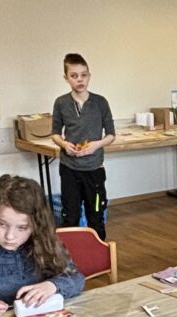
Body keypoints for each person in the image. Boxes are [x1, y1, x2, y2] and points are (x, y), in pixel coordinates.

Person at [0, 175, 85, 317]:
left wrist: (52, 286)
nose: (10, 236)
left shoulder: (44, 243)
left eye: (22, 228)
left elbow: (77, 279)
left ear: (36, 226)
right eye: (1, 224)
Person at [50, 52, 115, 240]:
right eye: (74, 76)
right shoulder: (61, 103)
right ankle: (69, 259)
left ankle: (99, 258)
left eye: (83, 75)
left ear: (89, 75)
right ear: (66, 78)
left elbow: (111, 135)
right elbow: (55, 133)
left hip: (94, 169)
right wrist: (64, 144)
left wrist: (96, 145)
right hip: (69, 169)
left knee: (96, 215)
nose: (80, 80)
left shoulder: (100, 102)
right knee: (71, 216)